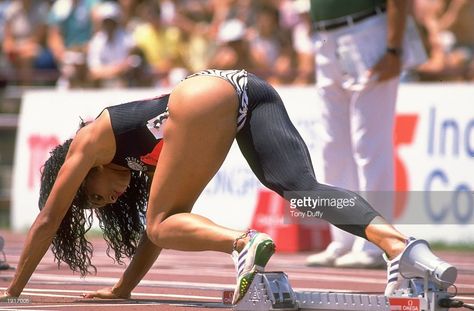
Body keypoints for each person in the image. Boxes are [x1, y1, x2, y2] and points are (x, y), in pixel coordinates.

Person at [1, 69, 430, 304]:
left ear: (90, 171)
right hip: (248, 89)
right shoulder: (145, 164)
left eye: (94, 195)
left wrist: (13, 293)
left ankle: (243, 242)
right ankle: (400, 246)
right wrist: (122, 290)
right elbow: (161, 233)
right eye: (103, 203)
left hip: (200, 93)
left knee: (160, 220)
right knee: (301, 189)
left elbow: (49, 219)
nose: (107, 198)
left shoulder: (90, 139)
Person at [306, 0, 410, 269]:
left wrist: (394, 48)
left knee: (369, 143)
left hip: (367, 30)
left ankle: (378, 243)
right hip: (325, 37)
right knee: (333, 146)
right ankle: (342, 239)